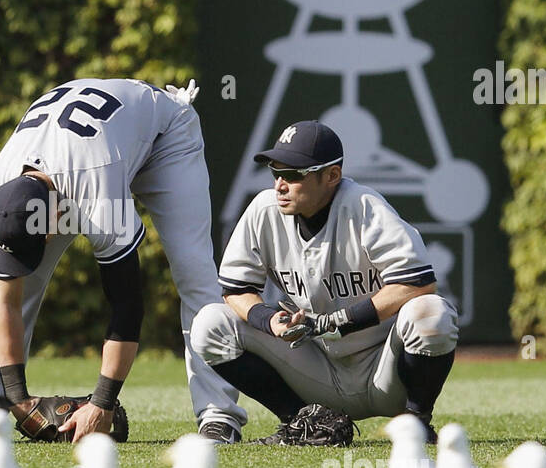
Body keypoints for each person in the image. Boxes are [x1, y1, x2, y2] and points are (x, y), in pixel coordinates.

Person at [0, 78, 247, 443]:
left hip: (163, 135)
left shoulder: (95, 190)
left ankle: (219, 417)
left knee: (193, 270)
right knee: (18, 286)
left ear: (56, 218)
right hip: (88, 149)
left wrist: (102, 402)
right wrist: (18, 398)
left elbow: (127, 304)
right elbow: (5, 303)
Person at [189, 120, 458, 444]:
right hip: (315, 367)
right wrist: (270, 320)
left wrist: (341, 320)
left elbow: (417, 284)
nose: (280, 185)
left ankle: (416, 422)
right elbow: (236, 289)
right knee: (210, 323)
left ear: (331, 176)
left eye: (294, 175)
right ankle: (303, 423)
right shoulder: (264, 210)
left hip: (384, 369)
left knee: (431, 313)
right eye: (276, 173)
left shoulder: (363, 207)